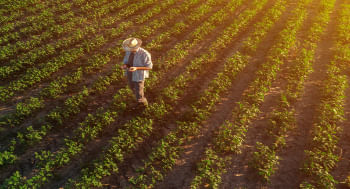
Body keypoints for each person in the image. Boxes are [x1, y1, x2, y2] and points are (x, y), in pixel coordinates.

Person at [121, 37, 152, 108]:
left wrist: (137, 68)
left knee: (139, 92)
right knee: (132, 88)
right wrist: (125, 66)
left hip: (138, 76)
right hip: (130, 73)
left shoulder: (145, 54)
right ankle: (138, 100)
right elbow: (126, 62)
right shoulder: (128, 51)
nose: (130, 50)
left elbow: (149, 67)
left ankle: (143, 104)